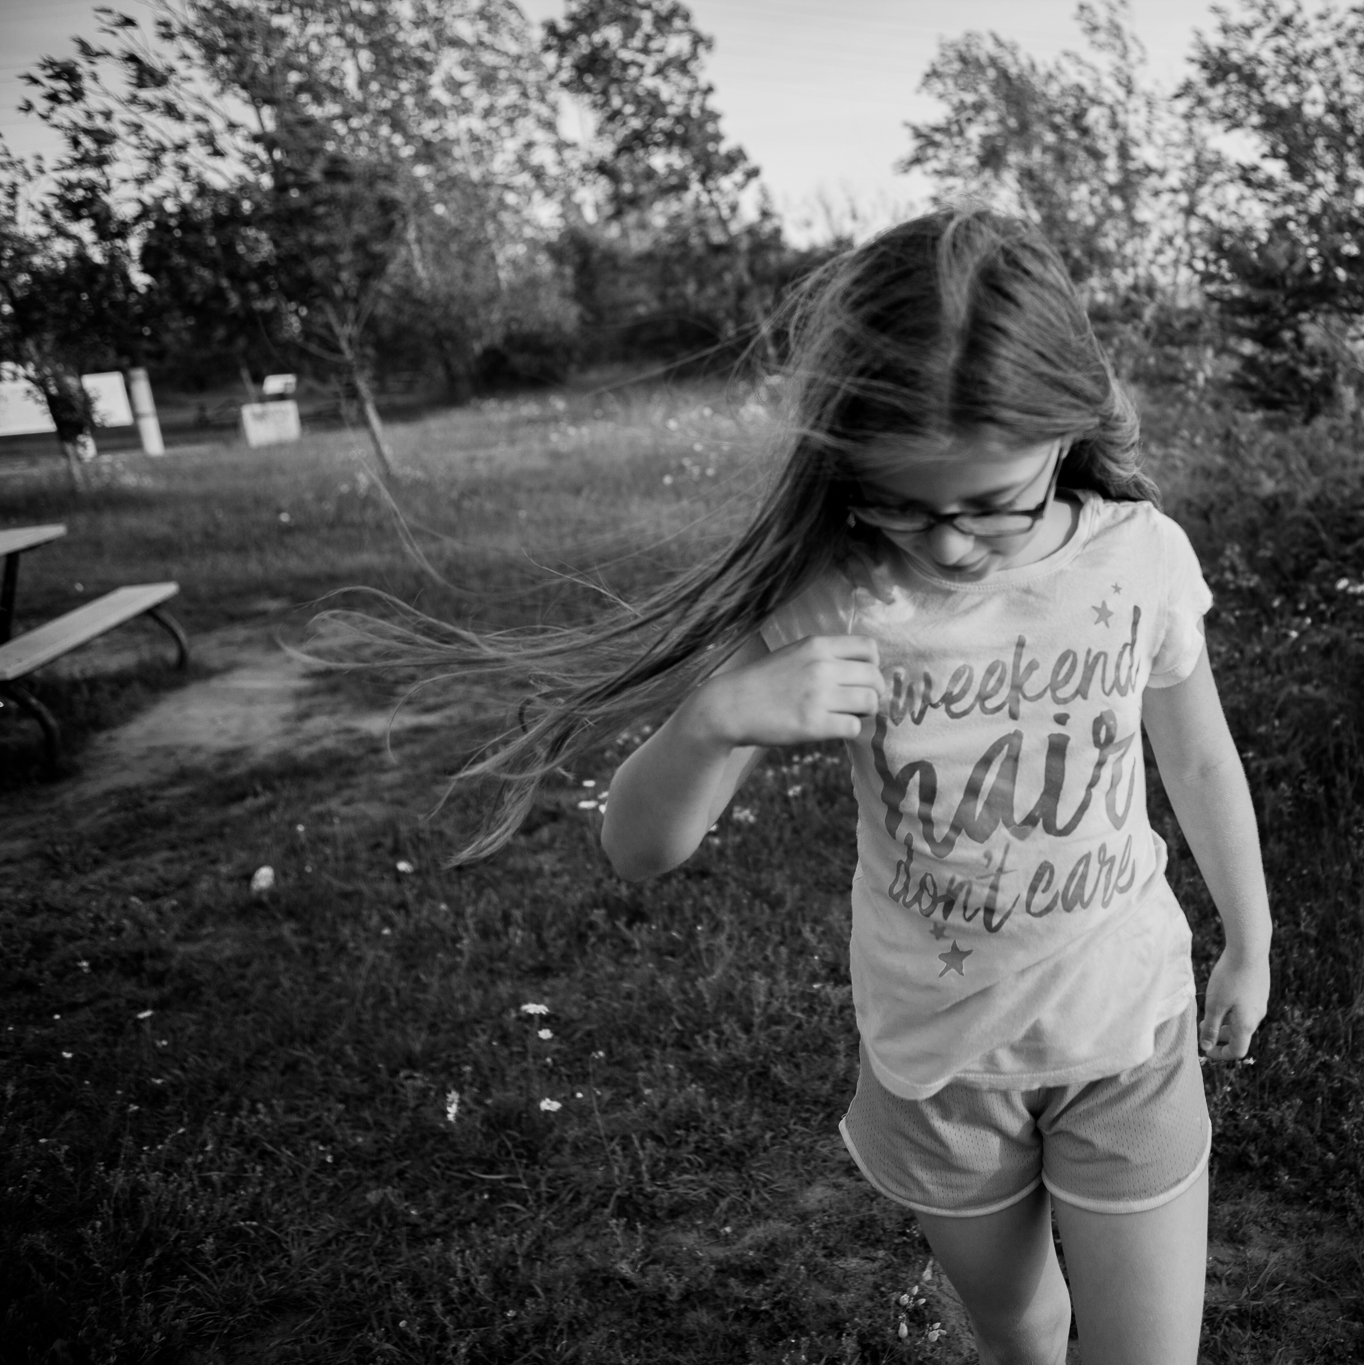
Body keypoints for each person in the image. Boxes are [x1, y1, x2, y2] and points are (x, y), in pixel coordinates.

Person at [349, 207, 1271, 1364]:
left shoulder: (1138, 558)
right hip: (938, 1066)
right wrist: (713, 720)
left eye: (992, 503)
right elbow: (638, 849)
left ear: (1068, 428)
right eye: (902, 502)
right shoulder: (832, 593)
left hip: (1127, 1029)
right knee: (1024, 1331)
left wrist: (1250, 935)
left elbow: (1192, 756)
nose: (944, 546)